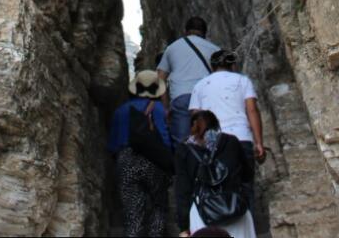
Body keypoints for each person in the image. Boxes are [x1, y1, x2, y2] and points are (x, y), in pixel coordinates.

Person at [189, 50, 265, 213]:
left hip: (212, 141)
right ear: (232, 64)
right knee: (245, 186)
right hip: (241, 138)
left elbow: (195, 117)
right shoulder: (242, 81)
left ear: (212, 66)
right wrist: (259, 142)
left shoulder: (200, 86)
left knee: (217, 185)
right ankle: (248, 230)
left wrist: (197, 145)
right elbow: (252, 111)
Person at [108, 70, 172, 237]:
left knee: (132, 214)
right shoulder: (157, 108)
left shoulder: (120, 111)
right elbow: (164, 138)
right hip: (153, 161)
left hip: (126, 160)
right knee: (159, 207)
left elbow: (113, 145)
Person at [175, 110, 255, 238]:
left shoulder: (184, 150)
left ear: (192, 128)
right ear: (216, 124)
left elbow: (183, 191)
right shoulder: (231, 142)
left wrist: (184, 226)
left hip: (202, 214)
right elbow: (247, 175)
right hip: (236, 208)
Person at [157, 16, 220, 145]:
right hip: (206, 98)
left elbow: (160, 79)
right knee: (209, 142)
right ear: (205, 32)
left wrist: (165, 107)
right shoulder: (215, 49)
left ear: (185, 31)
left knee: (182, 145)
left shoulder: (172, 48)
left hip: (181, 97)